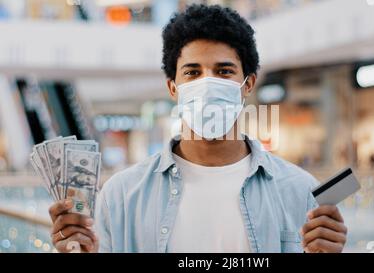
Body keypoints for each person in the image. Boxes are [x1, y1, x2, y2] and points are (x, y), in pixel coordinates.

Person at [48, 4, 347, 253]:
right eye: (192, 72)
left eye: (224, 71)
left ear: (248, 84)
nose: (207, 83)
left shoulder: (298, 190)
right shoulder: (121, 196)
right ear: (173, 88)